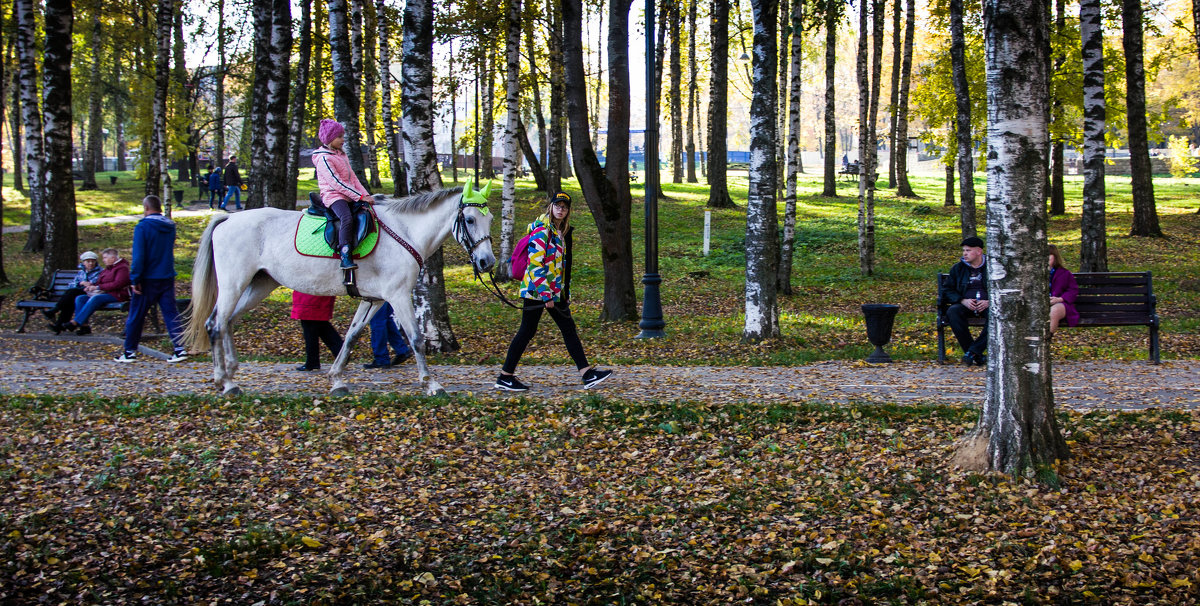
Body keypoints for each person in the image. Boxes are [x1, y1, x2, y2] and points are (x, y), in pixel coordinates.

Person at [495, 192, 614, 391]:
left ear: (568, 211)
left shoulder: (559, 232)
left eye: (564, 207)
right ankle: (505, 377)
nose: (560, 209)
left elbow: (557, 267)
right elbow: (535, 265)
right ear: (550, 207)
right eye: (557, 206)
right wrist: (546, 294)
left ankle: (586, 374)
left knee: (555, 329)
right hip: (538, 291)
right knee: (530, 331)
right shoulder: (543, 231)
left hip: (552, 291)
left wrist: (561, 292)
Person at [115, 195, 188, 363]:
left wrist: (135, 278)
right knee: (170, 312)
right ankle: (180, 348)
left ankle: (129, 351)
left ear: (146, 208)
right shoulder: (170, 226)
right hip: (166, 275)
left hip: (147, 278)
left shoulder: (143, 227)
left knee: (136, 315)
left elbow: (139, 255)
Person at [312, 118, 374, 270]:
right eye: (339, 136)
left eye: (342, 136)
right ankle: (345, 254)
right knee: (346, 218)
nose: (342, 139)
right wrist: (359, 197)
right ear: (329, 139)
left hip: (348, 194)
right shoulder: (324, 158)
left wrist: (366, 195)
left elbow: (353, 178)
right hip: (334, 196)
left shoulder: (340, 155)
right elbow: (336, 182)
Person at [61, 248, 129, 336]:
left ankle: (75, 322)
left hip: (117, 295)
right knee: (80, 298)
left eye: (105, 258)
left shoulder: (122, 268)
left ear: (112, 258)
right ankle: (84, 326)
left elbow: (118, 284)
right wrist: (90, 286)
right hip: (104, 293)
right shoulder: (109, 268)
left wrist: (98, 287)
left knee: (96, 298)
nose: (103, 260)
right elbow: (100, 281)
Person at [943, 235, 989, 366]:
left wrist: (990, 302)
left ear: (979, 251)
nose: (965, 254)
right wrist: (962, 300)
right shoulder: (958, 268)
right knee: (953, 312)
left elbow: (1002, 288)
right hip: (966, 304)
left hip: (988, 305)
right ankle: (975, 353)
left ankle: (972, 352)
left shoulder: (993, 267)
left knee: (997, 316)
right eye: (964, 251)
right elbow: (948, 290)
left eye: (968, 250)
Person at [46, 251, 103, 334]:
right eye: (88, 261)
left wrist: (87, 284)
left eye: (93, 261)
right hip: (79, 293)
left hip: (92, 294)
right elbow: (71, 284)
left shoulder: (100, 272)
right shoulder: (81, 272)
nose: (91, 263)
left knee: (72, 293)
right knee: (70, 301)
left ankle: (55, 310)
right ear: (83, 262)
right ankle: (59, 326)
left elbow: (96, 284)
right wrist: (81, 283)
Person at [292, 291, 343, 371]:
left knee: (311, 327)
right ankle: (341, 354)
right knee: (321, 326)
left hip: (311, 296)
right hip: (316, 295)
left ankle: (312, 362)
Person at [363, 303, 413, 369]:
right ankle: (402, 350)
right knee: (386, 318)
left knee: (377, 320)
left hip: (378, 294)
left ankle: (381, 359)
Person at [1049, 244, 1080, 335]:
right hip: (1038, 304)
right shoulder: (1033, 274)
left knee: (1054, 311)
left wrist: (1059, 299)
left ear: (1055, 257)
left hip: (1060, 304)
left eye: (1048, 255)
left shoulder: (1064, 273)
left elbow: (1073, 290)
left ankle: (1047, 338)